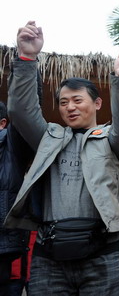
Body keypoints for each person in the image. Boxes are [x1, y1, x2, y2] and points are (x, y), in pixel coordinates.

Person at [4, 21, 119, 295]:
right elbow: (21, 110)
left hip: (103, 255)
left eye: (77, 100)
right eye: (63, 102)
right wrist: (26, 58)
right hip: (50, 257)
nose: (69, 107)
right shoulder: (48, 137)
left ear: (96, 103)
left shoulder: (111, 139)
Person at [0, 101, 33, 295]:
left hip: (5, 254)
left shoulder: (11, 146)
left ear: (3, 124)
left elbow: (25, 109)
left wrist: (25, 69)